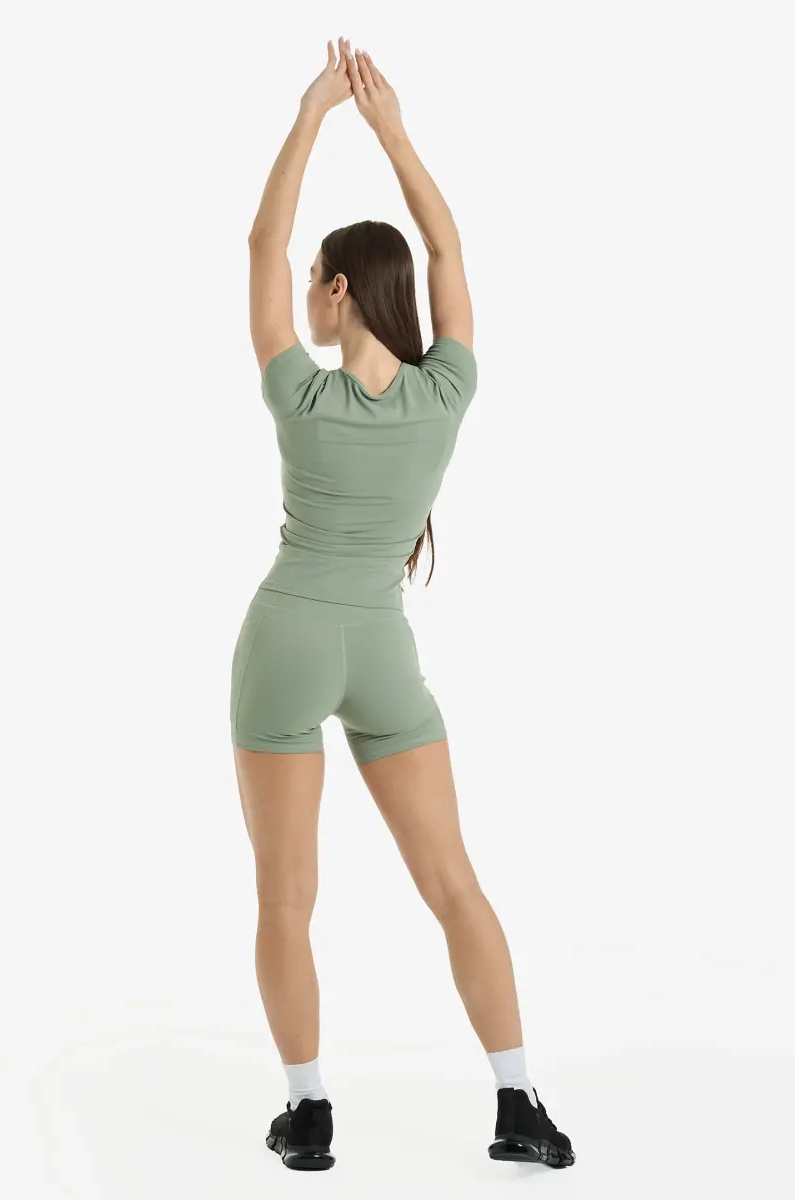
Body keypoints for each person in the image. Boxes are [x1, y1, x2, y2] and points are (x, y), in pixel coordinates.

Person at [234, 37, 575, 1172]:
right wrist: (391, 130)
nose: (304, 291)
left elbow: (259, 243)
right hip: (384, 653)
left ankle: (308, 1112)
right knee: (453, 883)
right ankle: (519, 1104)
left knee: (287, 899)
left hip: (288, 640)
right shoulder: (448, 390)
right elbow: (446, 246)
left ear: (338, 290)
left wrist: (311, 115)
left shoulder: (300, 393)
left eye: (316, 280)